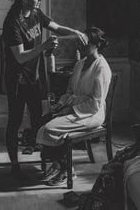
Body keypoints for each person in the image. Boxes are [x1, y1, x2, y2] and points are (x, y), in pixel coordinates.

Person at [0, 0, 84, 180]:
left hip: (34, 76)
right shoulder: (12, 21)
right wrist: (44, 47)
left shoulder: (36, 13)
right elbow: (20, 56)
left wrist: (75, 33)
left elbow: (56, 27)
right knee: (15, 121)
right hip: (18, 79)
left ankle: (51, 160)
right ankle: (14, 163)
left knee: (40, 118)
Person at [35, 27, 113, 186]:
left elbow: (95, 103)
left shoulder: (102, 68)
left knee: (50, 129)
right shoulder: (79, 64)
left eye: (87, 42)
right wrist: (60, 105)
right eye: (81, 41)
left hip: (92, 114)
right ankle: (59, 164)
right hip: (74, 108)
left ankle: (66, 170)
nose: (82, 45)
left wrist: (69, 109)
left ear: (96, 44)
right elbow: (69, 91)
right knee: (42, 122)